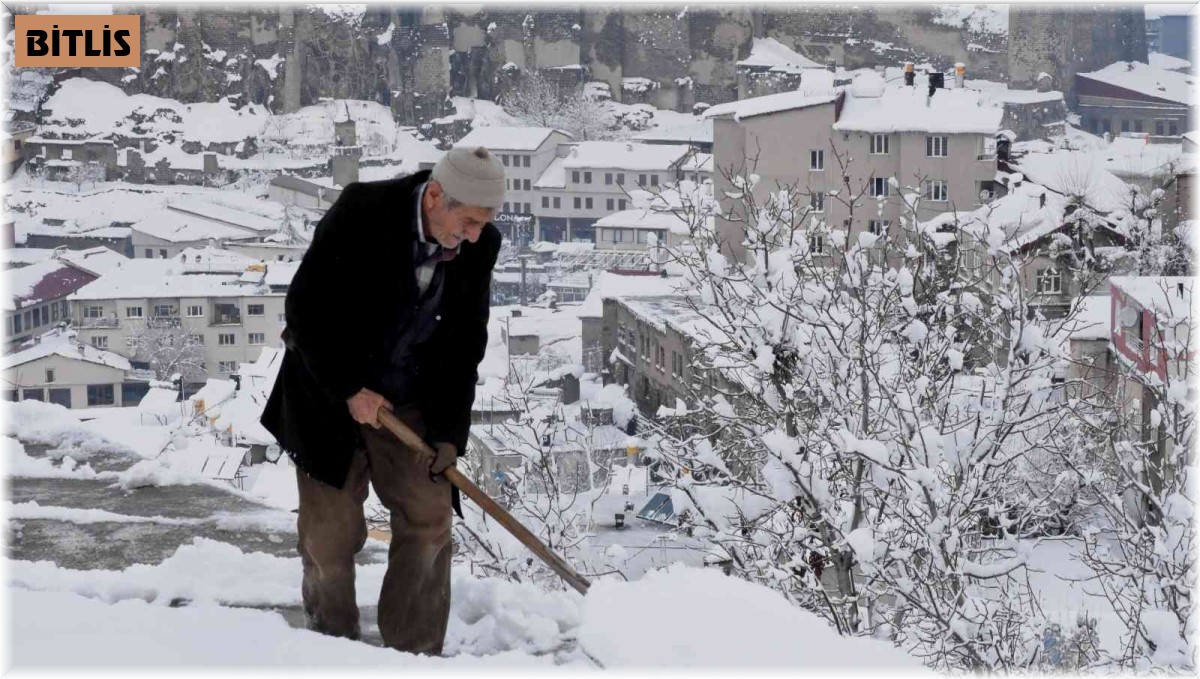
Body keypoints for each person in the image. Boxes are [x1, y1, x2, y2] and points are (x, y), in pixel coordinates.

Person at [261, 146, 504, 655]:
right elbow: (303, 309)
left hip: (408, 399)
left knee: (429, 515)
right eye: (470, 221)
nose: (476, 234)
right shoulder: (362, 212)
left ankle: (413, 653)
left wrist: (447, 436)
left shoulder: (480, 246)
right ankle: (332, 645)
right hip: (328, 391)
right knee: (330, 534)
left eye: (485, 223)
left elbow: (465, 346)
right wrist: (349, 389)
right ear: (435, 197)